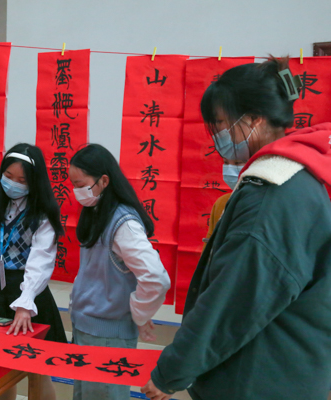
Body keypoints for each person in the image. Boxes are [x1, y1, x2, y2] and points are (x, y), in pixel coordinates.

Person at [142, 58, 331, 400]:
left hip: (258, 378)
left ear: (254, 119)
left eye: (221, 123)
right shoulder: (306, 176)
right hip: (292, 366)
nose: (218, 136)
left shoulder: (272, 195)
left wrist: (172, 371)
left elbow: (234, 299)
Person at [0, 143, 67, 400]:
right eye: (8, 176)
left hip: (29, 291)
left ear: (34, 182)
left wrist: (25, 302)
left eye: (22, 180)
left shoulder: (42, 214)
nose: (13, 184)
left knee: (37, 368)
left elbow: (40, 261)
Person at [68, 144, 171, 400]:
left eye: (81, 185)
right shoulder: (97, 212)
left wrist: (139, 313)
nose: (77, 192)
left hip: (106, 336)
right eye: (73, 185)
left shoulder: (123, 222)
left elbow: (156, 278)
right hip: (87, 329)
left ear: (104, 181)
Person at [202, 159, 245, 249]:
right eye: (226, 162)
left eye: (238, 162)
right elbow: (209, 250)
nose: (229, 169)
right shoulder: (222, 202)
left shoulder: (270, 203)